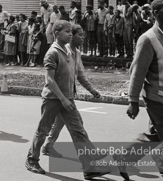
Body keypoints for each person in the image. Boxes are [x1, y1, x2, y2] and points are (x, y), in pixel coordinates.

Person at [114, 0, 163, 181]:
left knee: (162, 132)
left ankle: (124, 157)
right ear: (156, 13)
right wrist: (133, 101)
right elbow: (137, 72)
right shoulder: (147, 39)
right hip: (156, 98)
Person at [25, 20, 109, 180]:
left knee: (78, 132)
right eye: (67, 32)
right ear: (56, 34)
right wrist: (63, 99)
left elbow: (76, 75)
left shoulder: (69, 51)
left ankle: (89, 168)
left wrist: (82, 93)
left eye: (71, 32)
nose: (70, 34)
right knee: (43, 131)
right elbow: (49, 80)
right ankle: (32, 159)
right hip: (53, 99)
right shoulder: (53, 52)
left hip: (67, 99)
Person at [41, 24, 103, 157]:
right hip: (58, 95)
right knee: (76, 125)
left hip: (68, 94)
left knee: (59, 123)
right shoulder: (63, 50)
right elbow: (51, 77)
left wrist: (92, 90)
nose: (83, 38)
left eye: (83, 35)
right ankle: (90, 154)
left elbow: (80, 75)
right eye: (79, 35)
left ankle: (47, 146)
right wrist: (63, 98)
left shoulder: (77, 53)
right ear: (71, 36)